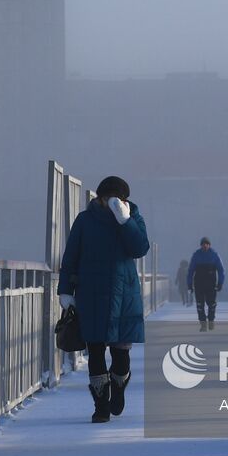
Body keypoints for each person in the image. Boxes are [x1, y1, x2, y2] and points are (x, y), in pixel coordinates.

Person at [58, 175, 150, 423]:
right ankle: (100, 406)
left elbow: (140, 248)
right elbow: (70, 258)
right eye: (106, 197)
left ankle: (118, 388)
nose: (110, 202)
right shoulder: (85, 220)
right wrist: (65, 291)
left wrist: (125, 221)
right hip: (91, 295)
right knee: (96, 353)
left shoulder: (132, 216)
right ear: (98, 197)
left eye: (116, 198)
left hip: (124, 295)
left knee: (121, 355)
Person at [187, 237, 225, 331]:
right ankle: (203, 324)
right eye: (203, 244)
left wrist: (220, 282)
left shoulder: (214, 255)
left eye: (206, 244)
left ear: (209, 245)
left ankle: (211, 321)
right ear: (201, 245)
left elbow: (221, 270)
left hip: (211, 284)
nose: (205, 246)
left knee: (211, 304)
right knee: (200, 305)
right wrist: (189, 284)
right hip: (199, 283)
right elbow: (191, 270)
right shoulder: (196, 255)